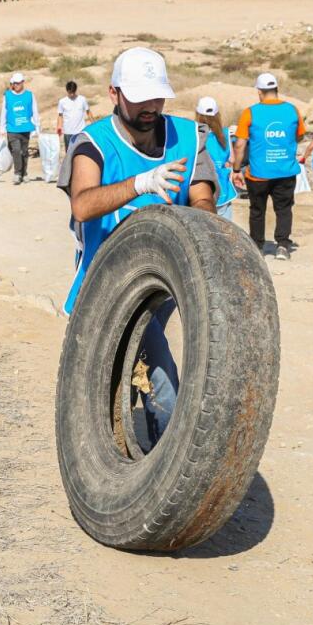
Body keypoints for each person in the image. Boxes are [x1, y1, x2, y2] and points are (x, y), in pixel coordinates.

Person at [57, 47, 217, 445]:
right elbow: (82, 203)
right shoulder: (93, 143)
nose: (151, 106)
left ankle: (137, 462)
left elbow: (202, 198)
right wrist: (140, 184)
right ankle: (155, 465)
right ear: (114, 93)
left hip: (163, 288)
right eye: (140, 96)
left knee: (132, 371)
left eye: (157, 95)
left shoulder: (188, 138)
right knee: (161, 380)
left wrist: (201, 216)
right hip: (106, 286)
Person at [232, 72, 303, 260]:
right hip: (286, 172)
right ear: (276, 89)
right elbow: (299, 135)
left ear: (259, 91)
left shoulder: (250, 112)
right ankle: (282, 246)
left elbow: (239, 144)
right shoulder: (292, 110)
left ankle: (257, 246)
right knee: (284, 209)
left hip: (258, 174)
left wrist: (236, 169)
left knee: (257, 210)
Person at [196, 96, 238, 221]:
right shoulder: (225, 133)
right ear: (217, 115)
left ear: (198, 114)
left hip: (202, 191)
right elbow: (231, 160)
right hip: (223, 189)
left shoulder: (195, 134)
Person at [0, 72, 39, 184]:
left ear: (22, 83)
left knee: (24, 152)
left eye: (18, 83)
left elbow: (35, 111)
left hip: (25, 128)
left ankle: (24, 173)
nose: (15, 85)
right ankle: (17, 173)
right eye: (14, 83)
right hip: (12, 129)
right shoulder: (7, 95)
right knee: (16, 150)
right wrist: (2, 128)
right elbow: (4, 112)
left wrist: (37, 127)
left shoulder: (29, 95)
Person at [56, 80, 92, 150]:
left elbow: (88, 112)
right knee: (69, 153)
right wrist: (59, 127)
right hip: (68, 132)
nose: (72, 94)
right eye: (70, 93)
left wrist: (94, 124)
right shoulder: (62, 102)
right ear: (67, 91)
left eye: (73, 92)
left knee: (81, 151)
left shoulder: (82, 99)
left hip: (80, 131)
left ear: (75, 90)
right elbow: (60, 115)